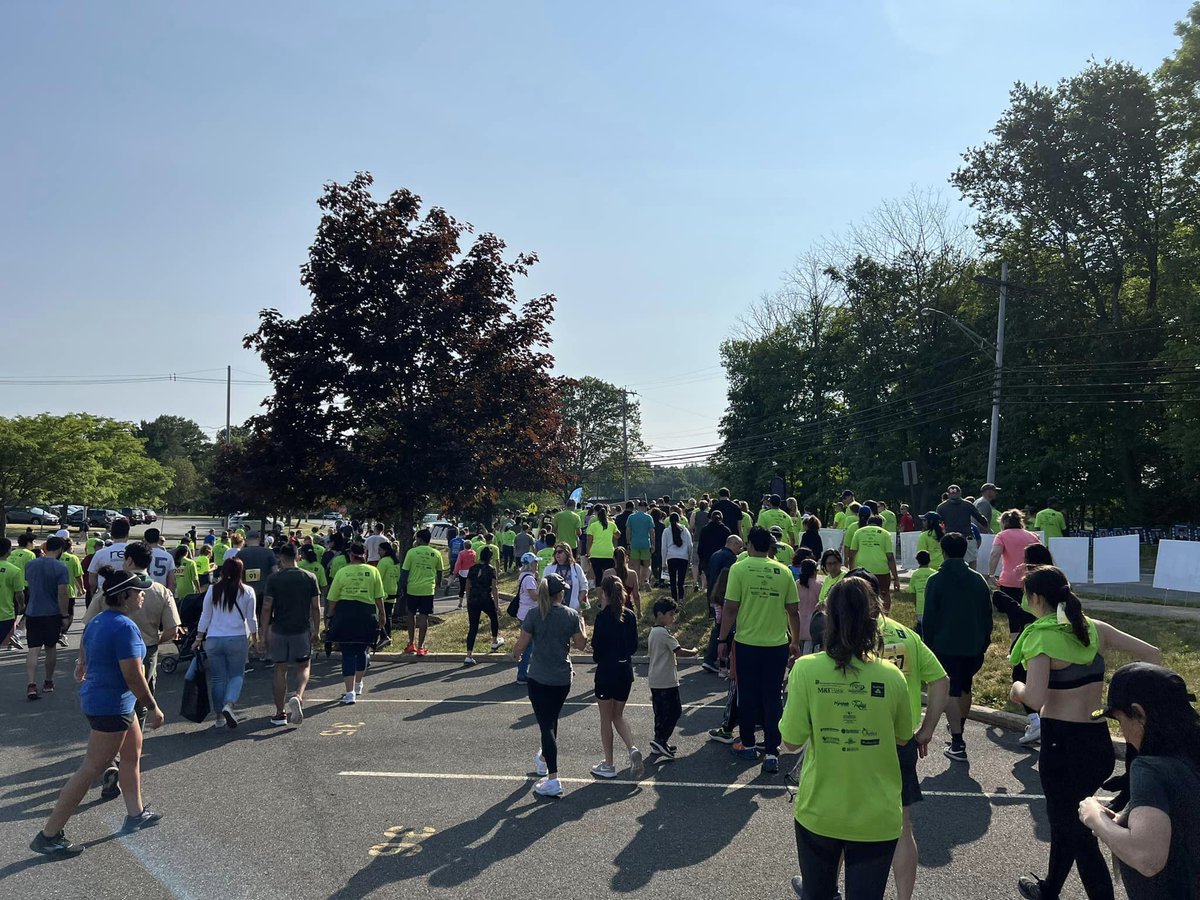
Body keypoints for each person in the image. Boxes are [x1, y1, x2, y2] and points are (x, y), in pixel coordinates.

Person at [1010, 566, 1161, 900]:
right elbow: (1153, 654)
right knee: (1067, 823)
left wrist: (1016, 688)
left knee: (1079, 835)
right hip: (1097, 742)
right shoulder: (1094, 628)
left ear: (1036, 598)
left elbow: (1034, 698)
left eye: (1026, 595)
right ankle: (1049, 888)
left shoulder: (1041, 637)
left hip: (1061, 745)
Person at [780, 576, 911, 900]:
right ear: (873, 618)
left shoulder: (805, 670)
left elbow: (791, 741)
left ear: (828, 619)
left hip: (820, 810)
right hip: (877, 814)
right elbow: (902, 737)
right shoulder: (892, 676)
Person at [30, 567, 164, 857]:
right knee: (91, 768)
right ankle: (49, 835)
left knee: (131, 755)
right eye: (139, 591)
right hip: (111, 706)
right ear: (124, 596)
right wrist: (153, 707)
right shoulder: (124, 627)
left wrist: (82, 666)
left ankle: (136, 813)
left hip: (112, 701)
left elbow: (86, 652)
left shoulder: (100, 620)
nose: (143, 595)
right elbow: (133, 675)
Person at [1083, 663, 1200, 900]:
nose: (1124, 734)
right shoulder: (1190, 756)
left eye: (1120, 721)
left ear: (1139, 713)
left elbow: (1148, 859)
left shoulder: (1150, 769)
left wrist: (1094, 817)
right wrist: (1125, 821)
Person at [719, 526, 801, 774]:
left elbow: (730, 608)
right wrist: (795, 641)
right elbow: (793, 611)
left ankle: (748, 744)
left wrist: (722, 639)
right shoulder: (783, 571)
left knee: (747, 694)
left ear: (750, 545)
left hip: (747, 643)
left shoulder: (739, 568)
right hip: (777, 644)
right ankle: (772, 751)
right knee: (773, 696)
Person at [511, 573, 587, 797]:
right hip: (562, 678)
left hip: (539, 677)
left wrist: (516, 655)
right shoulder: (571, 615)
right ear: (560, 594)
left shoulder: (534, 614)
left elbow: (521, 644)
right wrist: (583, 625)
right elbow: (581, 645)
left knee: (546, 725)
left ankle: (553, 778)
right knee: (551, 721)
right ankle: (544, 758)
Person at [921, 532, 993, 763]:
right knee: (964, 686)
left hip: (945, 643)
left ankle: (957, 739)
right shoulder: (978, 580)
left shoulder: (936, 580)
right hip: (973, 644)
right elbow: (987, 614)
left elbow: (929, 618)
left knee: (950, 689)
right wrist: (984, 641)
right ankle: (958, 725)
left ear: (943, 552)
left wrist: (927, 644)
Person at [261, 543, 321, 726]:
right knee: (304, 665)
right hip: (301, 629)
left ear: (280, 558)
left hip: (279, 629)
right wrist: (317, 630)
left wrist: (263, 633)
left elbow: (266, 607)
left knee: (280, 669)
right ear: (298, 556)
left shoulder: (274, 579)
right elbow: (316, 607)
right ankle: (298, 696)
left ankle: (280, 713)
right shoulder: (309, 577)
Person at [589, 574, 643, 779]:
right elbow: (634, 646)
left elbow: (596, 647)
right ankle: (632, 748)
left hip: (606, 672)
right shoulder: (630, 615)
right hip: (624, 671)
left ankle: (609, 764)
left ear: (604, 593)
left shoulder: (602, 617)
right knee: (617, 715)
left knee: (605, 718)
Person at [195, 557, 259, 728]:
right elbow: (251, 618)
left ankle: (219, 717)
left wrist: (199, 638)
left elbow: (205, 616)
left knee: (218, 678)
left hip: (213, 639)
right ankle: (229, 704)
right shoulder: (247, 591)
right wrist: (255, 638)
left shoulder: (213, 590)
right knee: (236, 675)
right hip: (237, 638)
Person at [327, 543, 386, 704]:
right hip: (366, 613)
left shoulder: (342, 571)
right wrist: (382, 614)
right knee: (362, 650)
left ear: (351, 555)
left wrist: (330, 616)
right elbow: (379, 596)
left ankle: (349, 692)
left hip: (346, 613)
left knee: (347, 653)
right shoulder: (373, 571)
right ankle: (359, 684)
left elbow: (333, 598)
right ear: (364, 554)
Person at [647, 597, 697, 758]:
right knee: (674, 711)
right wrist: (694, 652)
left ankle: (659, 741)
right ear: (659, 614)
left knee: (660, 713)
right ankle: (661, 740)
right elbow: (679, 651)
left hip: (656, 679)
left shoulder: (654, 631)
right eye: (670, 614)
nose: (672, 618)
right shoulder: (663, 633)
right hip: (666, 680)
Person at [23, 536, 71, 700]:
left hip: (33, 611)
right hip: (51, 613)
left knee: (33, 649)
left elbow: (30, 586)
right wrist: (64, 615)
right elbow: (62, 594)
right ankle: (48, 681)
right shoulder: (61, 567)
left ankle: (31, 684)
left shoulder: (30, 564)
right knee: (50, 647)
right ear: (60, 549)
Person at [701, 534, 743, 673]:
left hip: (713, 595)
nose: (740, 550)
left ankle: (711, 659)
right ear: (733, 544)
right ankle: (719, 660)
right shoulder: (730, 558)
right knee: (725, 629)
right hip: (725, 597)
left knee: (718, 626)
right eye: (739, 546)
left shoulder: (715, 555)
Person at [400, 528, 442, 657]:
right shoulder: (436, 553)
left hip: (412, 588)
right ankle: (421, 646)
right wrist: (438, 584)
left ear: (419, 539)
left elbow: (404, 572)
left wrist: (401, 586)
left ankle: (411, 643)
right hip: (428, 589)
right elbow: (440, 571)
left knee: (411, 614)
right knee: (424, 616)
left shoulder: (412, 552)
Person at [847, 513, 900, 612]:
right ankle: (884, 616)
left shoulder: (858, 532)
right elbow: (890, 557)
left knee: (862, 593)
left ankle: (864, 614)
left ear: (868, 523)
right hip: (881, 569)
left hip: (862, 569)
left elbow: (852, 554)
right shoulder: (885, 534)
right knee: (884, 593)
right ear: (881, 524)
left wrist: (851, 570)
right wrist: (896, 578)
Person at [464, 547, 503, 665]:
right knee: (494, 618)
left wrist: (468, 599)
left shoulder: (473, 568)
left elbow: (467, 585)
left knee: (473, 627)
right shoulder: (491, 570)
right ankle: (494, 641)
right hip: (485, 598)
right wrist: (497, 605)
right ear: (490, 558)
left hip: (473, 598)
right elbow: (494, 588)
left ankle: (469, 655)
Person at [513, 553, 541, 684]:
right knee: (528, 646)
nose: (537, 564)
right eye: (535, 562)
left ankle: (523, 671)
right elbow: (534, 596)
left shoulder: (523, 576)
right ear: (530, 564)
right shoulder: (529, 578)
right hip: (528, 615)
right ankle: (522, 674)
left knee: (527, 644)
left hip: (523, 613)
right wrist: (544, 592)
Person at [0, 538, 26, 652]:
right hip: (5, 614)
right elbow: (19, 593)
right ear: (8, 551)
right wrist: (21, 605)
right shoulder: (14, 570)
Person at [549, 542, 590, 613]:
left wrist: (578, 601)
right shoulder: (549, 568)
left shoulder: (576, 567)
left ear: (567, 553)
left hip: (573, 608)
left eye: (560, 552)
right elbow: (544, 587)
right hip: (554, 609)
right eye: (555, 552)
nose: (557, 554)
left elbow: (584, 585)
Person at [661, 512, 693, 601]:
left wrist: (663, 562)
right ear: (679, 520)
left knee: (672, 581)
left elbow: (664, 548)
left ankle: (674, 600)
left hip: (671, 557)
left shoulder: (666, 531)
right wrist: (689, 558)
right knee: (681, 582)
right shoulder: (685, 530)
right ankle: (681, 599)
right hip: (683, 557)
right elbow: (690, 545)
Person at [585, 505, 619, 586]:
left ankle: (599, 592)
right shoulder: (611, 525)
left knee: (598, 577)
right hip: (608, 553)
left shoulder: (593, 525)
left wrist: (588, 553)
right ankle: (609, 591)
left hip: (595, 553)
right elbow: (618, 535)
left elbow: (589, 541)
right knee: (609, 577)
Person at [375, 541, 401, 645]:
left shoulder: (383, 562)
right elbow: (398, 577)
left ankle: (384, 636)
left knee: (380, 615)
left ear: (385, 551)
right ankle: (388, 636)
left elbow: (378, 578)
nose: (378, 552)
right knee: (388, 615)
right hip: (393, 590)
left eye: (380, 550)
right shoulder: (395, 562)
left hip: (383, 591)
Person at [625, 500, 655, 588]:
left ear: (638, 507)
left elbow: (628, 531)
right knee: (647, 565)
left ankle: (637, 583)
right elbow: (652, 532)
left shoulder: (631, 517)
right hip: (645, 543)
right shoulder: (649, 517)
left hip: (634, 543)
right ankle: (645, 580)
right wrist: (653, 544)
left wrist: (628, 543)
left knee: (636, 565)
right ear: (645, 508)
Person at [793, 556, 820, 655]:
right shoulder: (819, 585)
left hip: (797, 626)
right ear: (814, 571)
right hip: (812, 627)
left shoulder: (796, 584)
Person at [909, 550, 934, 634]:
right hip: (932, 606)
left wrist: (915, 605)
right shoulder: (934, 573)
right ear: (930, 560)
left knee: (921, 628)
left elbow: (912, 592)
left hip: (920, 607)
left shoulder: (915, 574)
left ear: (918, 561)